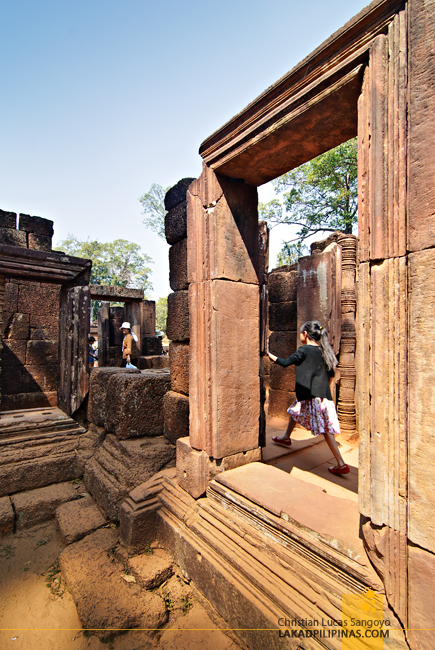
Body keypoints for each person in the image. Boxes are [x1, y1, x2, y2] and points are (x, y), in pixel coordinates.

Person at [266, 320, 349, 475]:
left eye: (300, 332)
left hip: (313, 397)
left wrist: (268, 354)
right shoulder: (325, 351)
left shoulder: (304, 350)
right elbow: (331, 375)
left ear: (305, 334)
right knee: (295, 410)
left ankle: (341, 463)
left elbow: (285, 363)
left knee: (326, 431)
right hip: (321, 397)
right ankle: (286, 437)